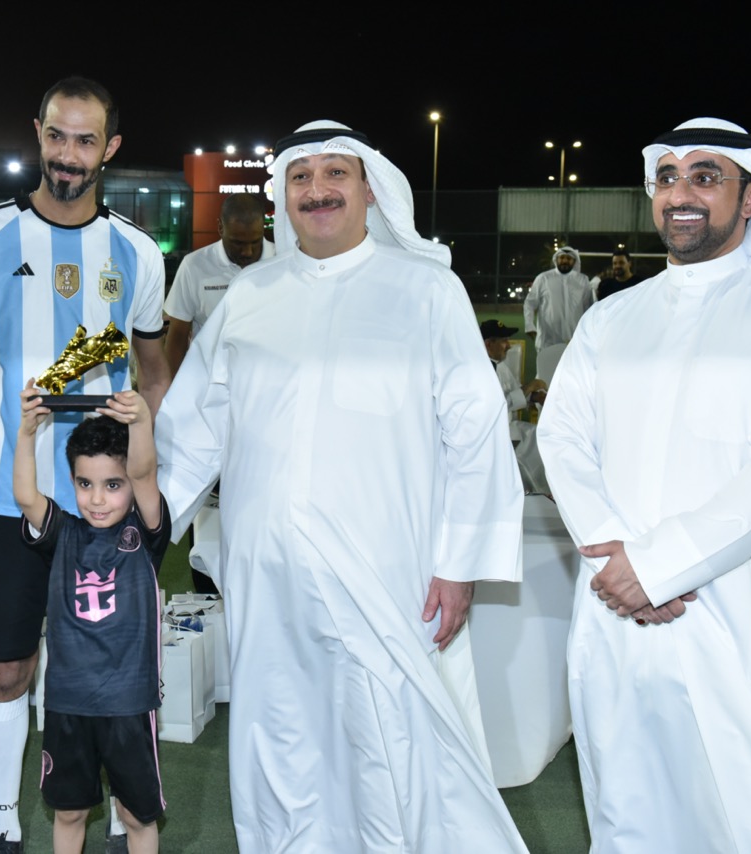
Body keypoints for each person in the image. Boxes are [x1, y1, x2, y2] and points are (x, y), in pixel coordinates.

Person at [155, 121, 528, 852]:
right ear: (283, 196)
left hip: (386, 568)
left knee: (386, 736)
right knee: (279, 730)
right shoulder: (251, 294)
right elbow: (196, 427)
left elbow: (476, 432)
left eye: (336, 174)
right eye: (301, 177)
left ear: (369, 190)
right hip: (267, 567)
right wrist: (144, 522)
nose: (317, 190)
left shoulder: (427, 289)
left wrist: (460, 562)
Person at [539, 118, 751, 852]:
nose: (681, 193)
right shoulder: (613, 317)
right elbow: (561, 438)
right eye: (668, 177)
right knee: (626, 819)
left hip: (734, 622)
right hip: (615, 613)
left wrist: (656, 569)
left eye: (706, 176)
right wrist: (616, 556)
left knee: (747, 829)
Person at [0, 76, 169, 853]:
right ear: (38, 133)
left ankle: (121, 819)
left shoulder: (136, 252)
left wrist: (141, 468)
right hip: (8, 497)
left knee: (108, 670)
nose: (68, 154)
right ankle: (5, 823)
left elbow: (155, 373)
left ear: (111, 148)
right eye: (57, 136)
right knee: (9, 670)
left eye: (86, 140)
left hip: (104, 504)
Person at [13, 384, 168, 854]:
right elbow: (25, 495)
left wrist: (141, 421)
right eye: (85, 484)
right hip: (67, 702)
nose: (98, 499)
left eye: (112, 485)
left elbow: (144, 470)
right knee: (69, 811)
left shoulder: (144, 533)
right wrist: (26, 432)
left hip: (128, 702)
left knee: (136, 814)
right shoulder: (64, 532)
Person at [162, 192, 273, 375]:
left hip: (267, 380)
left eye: (255, 242)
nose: (247, 251)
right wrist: (171, 388)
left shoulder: (281, 261)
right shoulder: (194, 266)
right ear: (220, 227)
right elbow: (177, 337)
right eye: (237, 243)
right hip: (209, 382)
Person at [480, 319, 548, 495]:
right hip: (491, 435)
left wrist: (536, 396)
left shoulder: (500, 366)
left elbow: (515, 392)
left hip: (508, 428)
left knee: (540, 436)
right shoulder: (482, 369)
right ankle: (531, 490)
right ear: (488, 344)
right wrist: (530, 387)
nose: (509, 346)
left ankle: (535, 489)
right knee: (535, 439)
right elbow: (497, 406)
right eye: (504, 341)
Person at [523, 245, 592, 350]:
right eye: (562, 257)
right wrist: (529, 325)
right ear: (556, 259)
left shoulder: (583, 280)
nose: (565, 261)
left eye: (569, 258)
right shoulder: (543, 278)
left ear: (574, 262)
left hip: (574, 340)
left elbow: (589, 308)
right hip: (547, 341)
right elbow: (530, 304)